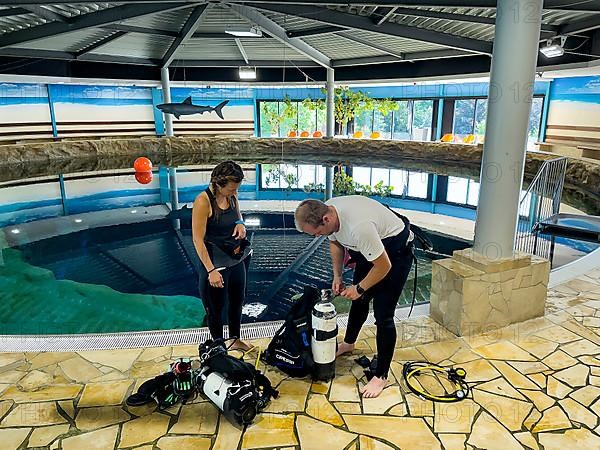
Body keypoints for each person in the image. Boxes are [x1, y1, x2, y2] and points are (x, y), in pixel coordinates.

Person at [294, 196, 414, 398]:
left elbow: (384, 266)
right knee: (358, 302)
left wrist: (359, 287)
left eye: (316, 233)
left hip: (395, 254)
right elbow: (335, 243)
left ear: (326, 219)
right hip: (373, 250)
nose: (316, 237)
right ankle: (349, 343)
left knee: (383, 315)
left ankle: (381, 376)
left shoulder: (359, 227)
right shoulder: (330, 210)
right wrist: (338, 276)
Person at [192, 161, 252, 351]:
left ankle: (235, 340)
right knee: (215, 309)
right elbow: (197, 240)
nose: (234, 192)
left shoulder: (231, 194)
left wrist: (240, 222)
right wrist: (211, 270)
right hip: (215, 264)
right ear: (218, 184)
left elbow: (236, 212)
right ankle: (218, 347)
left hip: (235, 258)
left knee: (237, 301)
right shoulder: (203, 201)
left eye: (237, 188)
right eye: (231, 189)